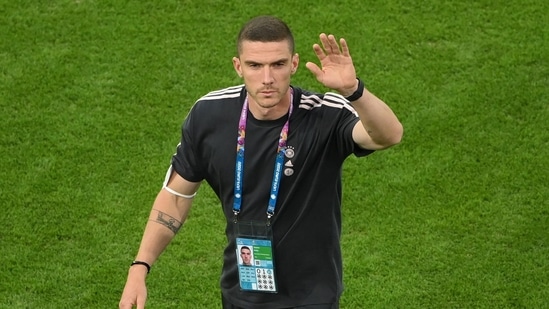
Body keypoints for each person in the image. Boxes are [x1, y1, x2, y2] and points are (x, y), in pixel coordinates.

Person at [119, 15, 403, 309]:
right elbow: (176, 197)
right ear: (238, 66)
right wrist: (140, 267)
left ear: (293, 64)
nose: (267, 78)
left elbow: (388, 136)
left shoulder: (325, 114)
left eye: (278, 64)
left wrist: (353, 90)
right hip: (241, 293)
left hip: (311, 297)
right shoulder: (209, 116)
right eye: (255, 65)